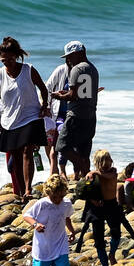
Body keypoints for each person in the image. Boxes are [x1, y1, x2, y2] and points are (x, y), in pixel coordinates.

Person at [0, 36, 50, 197]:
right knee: (15, 158)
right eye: (3, 60)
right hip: (10, 121)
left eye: (9, 59)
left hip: (31, 117)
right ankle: (22, 191)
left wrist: (44, 106)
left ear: (16, 56)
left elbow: (44, 90)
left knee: (27, 152)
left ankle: (28, 189)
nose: (6, 62)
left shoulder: (28, 70)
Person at [23, 175, 75, 266]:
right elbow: (26, 216)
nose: (58, 200)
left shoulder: (66, 203)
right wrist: (35, 224)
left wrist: (72, 231)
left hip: (60, 243)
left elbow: (67, 218)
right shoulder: (42, 204)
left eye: (60, 196)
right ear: (48, 193)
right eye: (55, 197)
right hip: (43, 246)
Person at [52, 40, 99, 177]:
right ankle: (88, 180)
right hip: (90, 115)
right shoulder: (93, 69)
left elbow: (73, 96)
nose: (68, 59)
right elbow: (83, 93)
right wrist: (66, 94)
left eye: (70, 55)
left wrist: (59, 97)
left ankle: (85, 170)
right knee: (84, 149)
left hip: (76, 115)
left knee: (62, 146)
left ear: (80, 53)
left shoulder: (76, 69)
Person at [82, 148, 134, 266]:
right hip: (98, 208)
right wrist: (93, 200)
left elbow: (108, 176)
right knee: (98, 238)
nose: (106, 166)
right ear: (97, 163)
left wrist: (96, 173)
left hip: (111, 205)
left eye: (108, 162)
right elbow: (86, 191)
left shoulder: (113, 172)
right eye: (103, 164)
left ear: (111, 161)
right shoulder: (93, 175)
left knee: (116, 233)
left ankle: (112, 254)